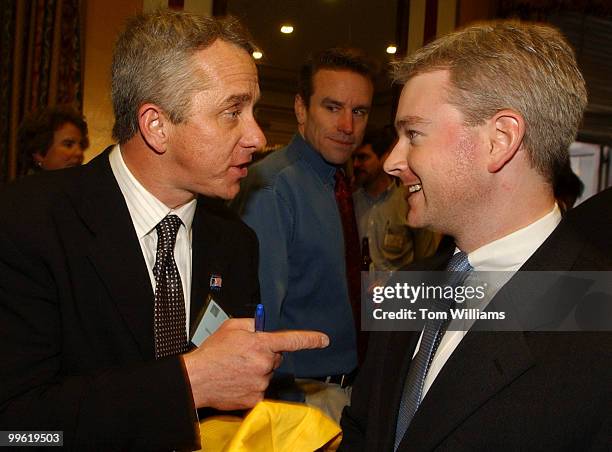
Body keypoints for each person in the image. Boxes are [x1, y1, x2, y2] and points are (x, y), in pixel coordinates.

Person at [0, 10, 329, 451]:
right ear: (156, 126)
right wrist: (189, 382)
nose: (255, 136)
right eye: (233, 111)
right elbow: (17, 430)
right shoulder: (27, 222)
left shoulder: (235, 244)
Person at [339, 20, 612, 451]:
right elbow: (361, 427)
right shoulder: (411, 284)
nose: (393, 161)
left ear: (499, 139)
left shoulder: (598, 311)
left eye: (413, 134)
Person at [232, 47, 374, 420]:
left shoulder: (339, 185)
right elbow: (261, 320)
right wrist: (282, 406)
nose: (347, 125)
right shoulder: (275, 186)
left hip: (348, 391)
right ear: (300, 109)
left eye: (359, 112)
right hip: (301, 399)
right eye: (332, 107)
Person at [352, 126, 438, 271]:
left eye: (363, 157)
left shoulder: (410, 202)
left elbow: (428, 262)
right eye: (353, 158)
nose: (355, 164)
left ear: (383, 158)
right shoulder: (348, 204)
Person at [17, 105, 89, 175]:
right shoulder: (23, 187)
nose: (79, 153)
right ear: (39, 154)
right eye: (68, 145)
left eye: (81, 146)